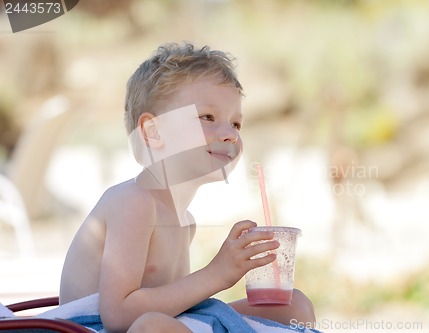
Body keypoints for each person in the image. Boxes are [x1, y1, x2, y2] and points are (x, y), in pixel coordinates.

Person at [59, 42, 316, 333]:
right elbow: (119, 316)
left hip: (155, 322)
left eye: (236, 124)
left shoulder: (185, 222)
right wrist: (217, 274)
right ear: (153, 132)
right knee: (154, 327)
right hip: (89, 328)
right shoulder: (134, 201)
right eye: (208, 117)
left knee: (293, 307)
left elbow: (173, 307)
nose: (230, 134)